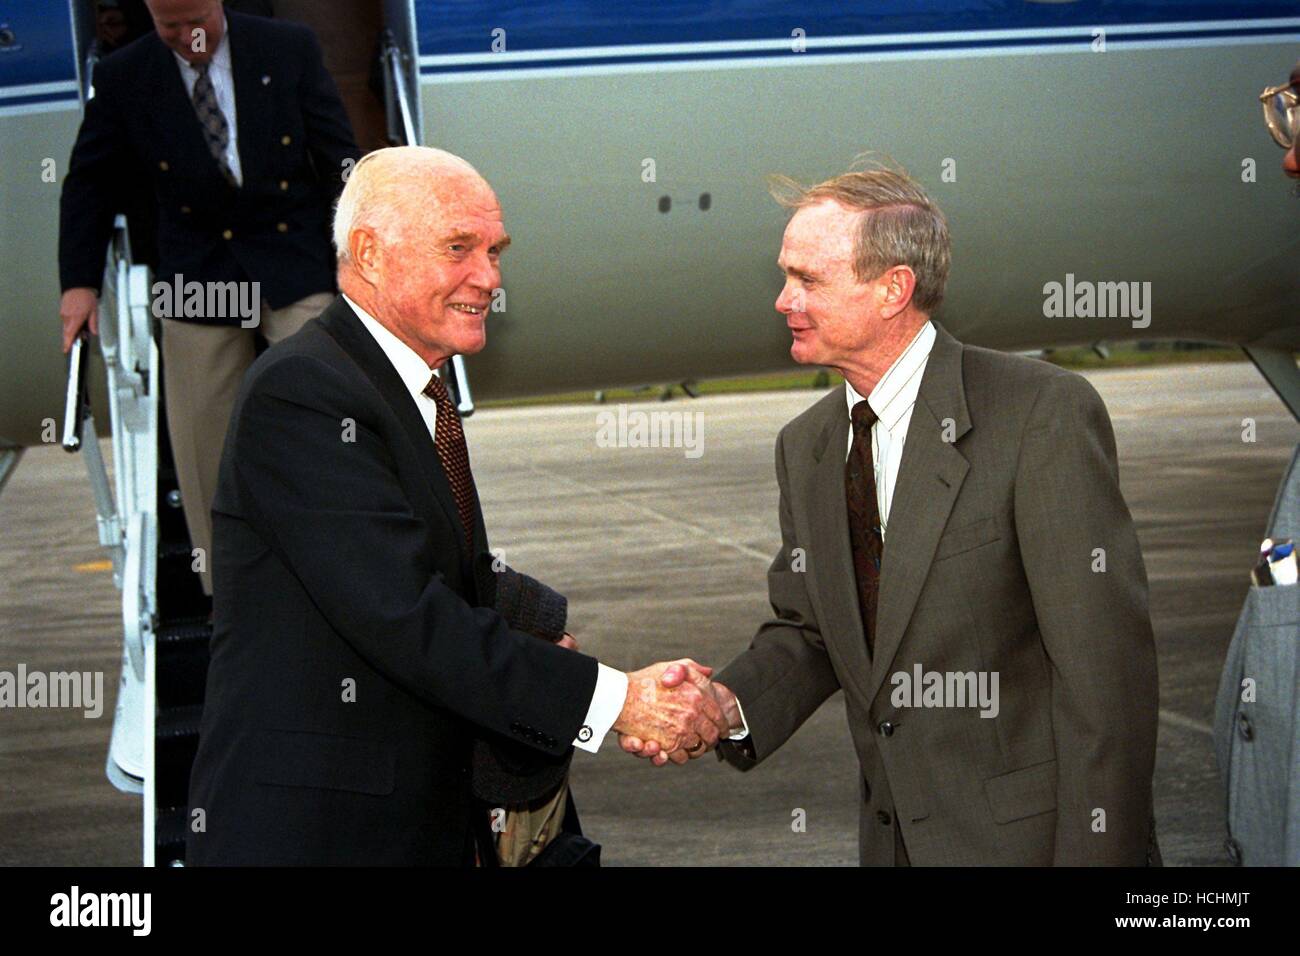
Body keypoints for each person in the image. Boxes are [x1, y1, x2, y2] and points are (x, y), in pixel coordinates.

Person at [185, 146, 728, 865]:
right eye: (459, 248)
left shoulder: (406, 386)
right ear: (370, 252)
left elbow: (436, 572)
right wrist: (618, 701)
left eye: (496, 251)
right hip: (318, 834)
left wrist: (536, 624)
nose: (489, 278)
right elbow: (406, 616)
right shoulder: (306, 393)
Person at [624, 159, 1162, 866]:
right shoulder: (809, 447)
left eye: (807, 280)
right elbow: (815, 632)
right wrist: (722, 706)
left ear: (892, 290)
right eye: (785, 276)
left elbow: (1106, 682)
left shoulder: (1040, 416)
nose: (783, 301)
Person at [58, 0, 360, 596]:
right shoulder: (125, 75)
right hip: (199, 266)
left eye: (197, 22)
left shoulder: (286, 48)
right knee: (203, 437)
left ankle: (349, 566)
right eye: (169, 28)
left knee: (328, 402)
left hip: (289, 251)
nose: (187, 38)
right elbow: (89, 180)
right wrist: (79, 282)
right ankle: (230, 590)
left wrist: (354, 253)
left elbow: (340, 159)